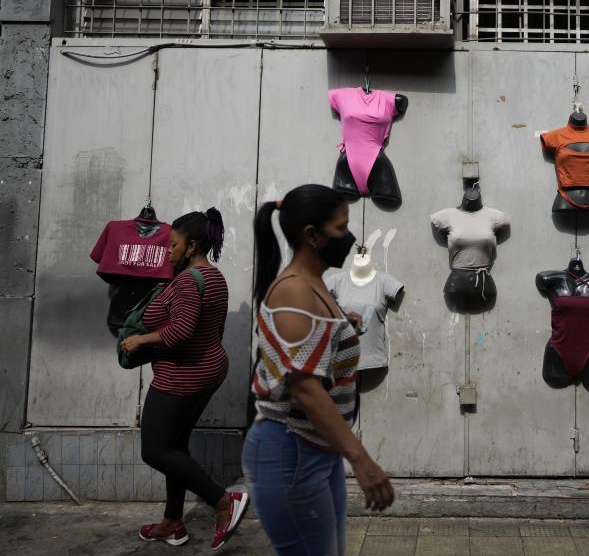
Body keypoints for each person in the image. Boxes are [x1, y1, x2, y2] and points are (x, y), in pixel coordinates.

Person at [245, 184, 394, 555]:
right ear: (312, 235)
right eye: (341, 228)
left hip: (314, 449)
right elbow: (306, 388)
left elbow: (312, 342)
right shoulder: (296, 292)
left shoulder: (315, 286)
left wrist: (345, 324)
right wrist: (362, 460)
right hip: (292, 449)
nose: (350, 238)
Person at [120, 207, 249, 550]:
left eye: (172, 244)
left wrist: (139, 340)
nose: (168, 250)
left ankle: (223, 502)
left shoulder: (190, 282)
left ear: (191, 246)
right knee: (174, 447)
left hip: (182, 377)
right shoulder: (214, 277)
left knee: (155, 451)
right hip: (208, 370)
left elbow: (180, 332)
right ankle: (173, 523)